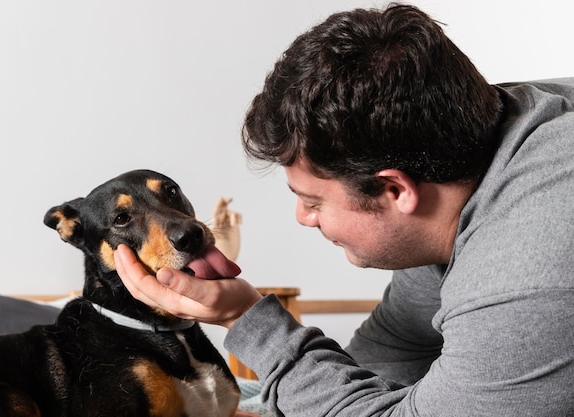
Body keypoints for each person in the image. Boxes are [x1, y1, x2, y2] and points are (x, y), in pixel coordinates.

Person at [114, 3, 574, 416]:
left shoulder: (534, 258)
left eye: (313, 201)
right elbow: (392, 353)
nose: (303, 217)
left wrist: (246, 320)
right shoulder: (466, 155)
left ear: (395, 190)